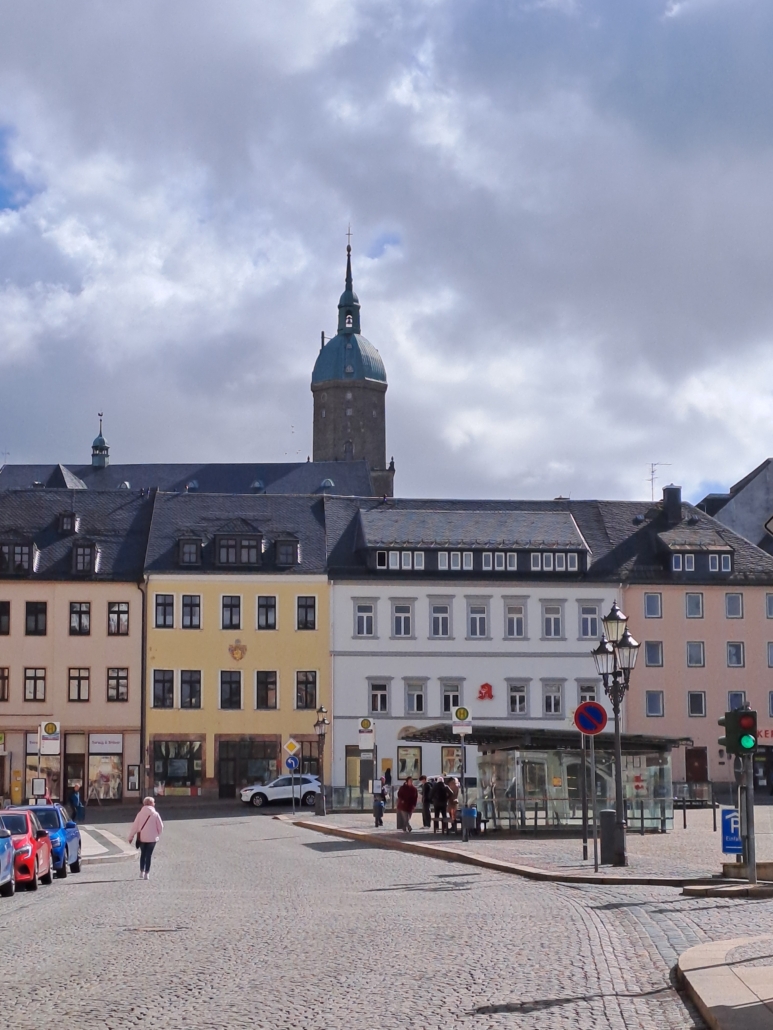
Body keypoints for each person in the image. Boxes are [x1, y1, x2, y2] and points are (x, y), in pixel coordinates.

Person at [128, 797, 164, 880]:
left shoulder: (140, 814)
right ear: (151, 804)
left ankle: (141, 871)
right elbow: (161, 827)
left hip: (142, 838)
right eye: (154, 802)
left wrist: (131, 836)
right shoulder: (155, 814)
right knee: (149, 855)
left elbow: (135, 826)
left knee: (143, 854)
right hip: (152, 839)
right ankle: (147, 873)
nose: (154, 804)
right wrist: (156, 834)